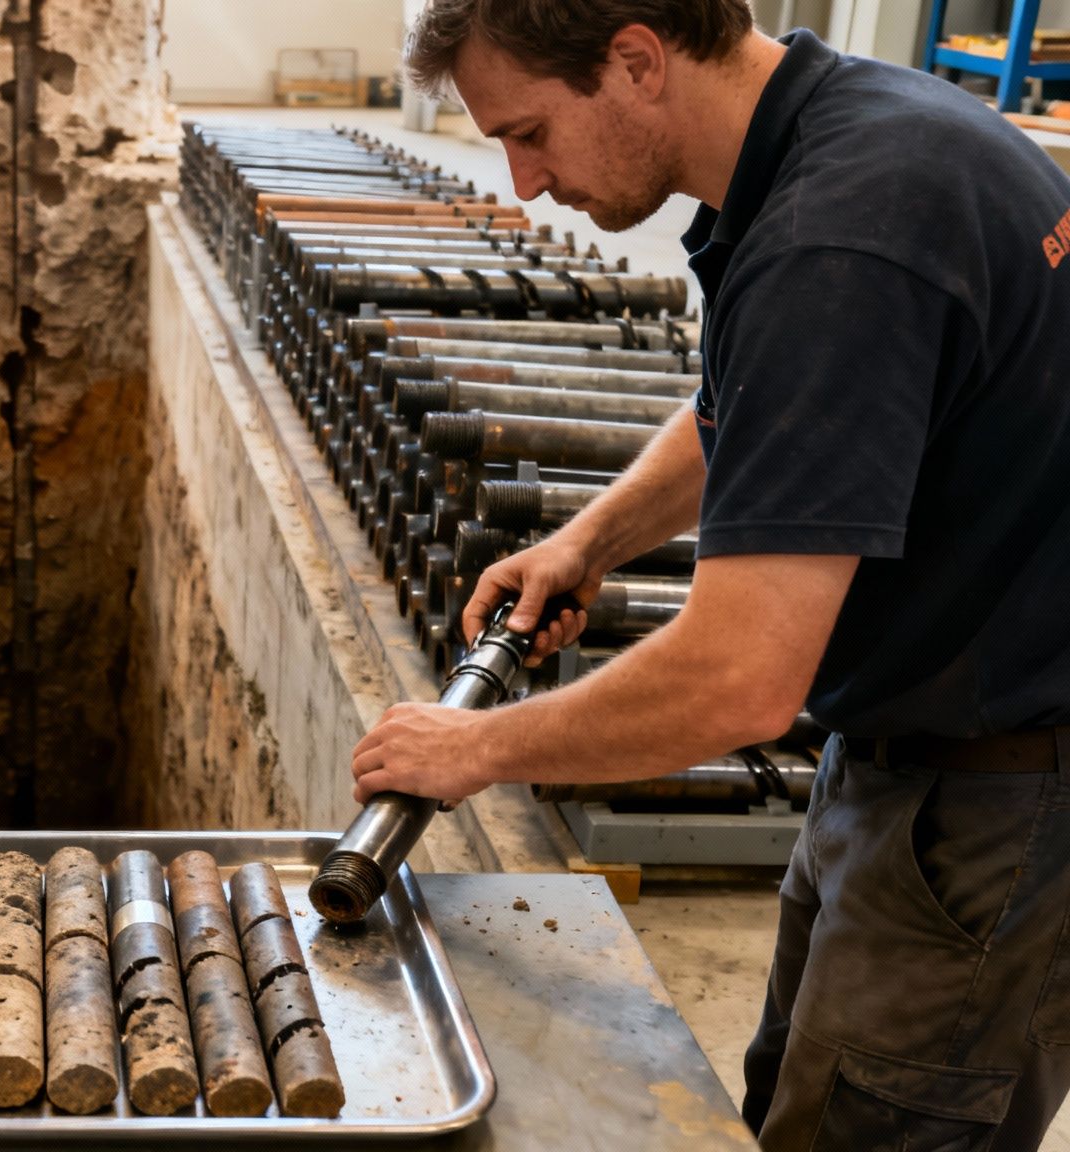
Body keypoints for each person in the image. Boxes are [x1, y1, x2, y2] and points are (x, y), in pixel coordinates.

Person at [350, 2, 1070, 1148]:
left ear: (635, 61)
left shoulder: (837, 237)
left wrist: (471, 749)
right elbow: (762, 406)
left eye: (529, 131)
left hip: (995, 798)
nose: (522, 183)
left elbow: (738, 683)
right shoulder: (870, 127)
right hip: (919, 733)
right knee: (797, 1097)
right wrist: (590, 539)